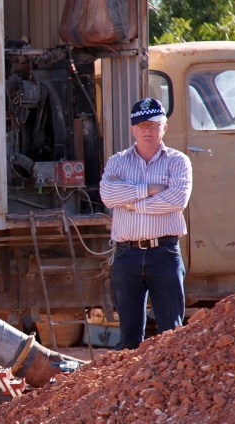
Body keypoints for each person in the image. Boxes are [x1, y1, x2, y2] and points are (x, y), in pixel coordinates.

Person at [99, 97, 192, 350]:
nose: (147, 130)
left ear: (165, 127)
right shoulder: (118, 161)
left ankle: (171, 385)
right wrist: (149, 189)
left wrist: (130, 203)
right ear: (132, 129)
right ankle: (130, 389)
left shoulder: (178, 161)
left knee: (171, 334)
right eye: (141, 125)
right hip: (126, 255)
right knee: (128, 339)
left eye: (153, 124)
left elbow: (177, 200)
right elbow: (107, 195)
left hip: (164, 253)